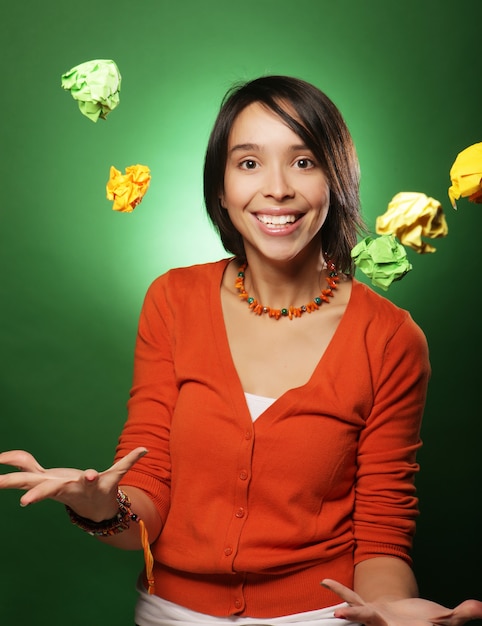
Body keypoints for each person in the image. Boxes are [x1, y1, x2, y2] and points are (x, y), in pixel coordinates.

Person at [0, 75, 481, 626]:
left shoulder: (391, 338)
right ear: (221, 187)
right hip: (169, 613)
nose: (276, 188)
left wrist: (392, 608)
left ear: (337, 180)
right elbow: (147, 499)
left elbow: (381, 527)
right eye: (248, 163)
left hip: (325, 616)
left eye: (304, 161)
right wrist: (101, 507)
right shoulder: (173, 300)